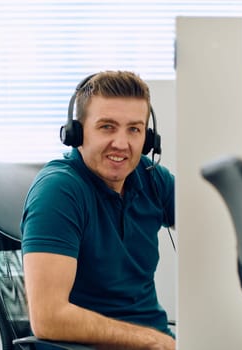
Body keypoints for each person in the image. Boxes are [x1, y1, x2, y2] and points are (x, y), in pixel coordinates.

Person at [21, 70, 176, 350]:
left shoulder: (152, 178)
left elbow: (216, 223)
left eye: (134, 129)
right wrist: (151, 339)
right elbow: (47, 317)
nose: (121, 143)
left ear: (148, 138)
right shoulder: (59, 190)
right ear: (76, 133)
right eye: (107, 127)